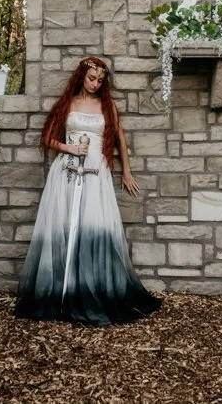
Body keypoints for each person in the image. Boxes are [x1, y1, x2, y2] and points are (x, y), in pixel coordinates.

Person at [14, 56, 162, 325]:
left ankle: (89, 288)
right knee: (63, 227)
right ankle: (59, 291)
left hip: (95, 173)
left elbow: (121, 138)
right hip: (66, 171)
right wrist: (69, 148)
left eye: (100, 81)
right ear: (81, 76)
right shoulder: (67, 103)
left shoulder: (107, 106)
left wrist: (126, 172)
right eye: (91, 78)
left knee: (92, 227)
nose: (95, 84)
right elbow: (47, 137)